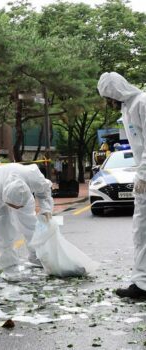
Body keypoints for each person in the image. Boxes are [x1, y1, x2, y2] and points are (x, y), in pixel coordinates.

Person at [98, 72, 146, 299]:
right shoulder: (128, 108)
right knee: (141, 231)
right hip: (143, 175)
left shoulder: (142, 103)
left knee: (143, 231)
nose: (107, 102)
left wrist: (143, 176)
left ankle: (142, 284)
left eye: (108, 96)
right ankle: (141, 282)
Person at [0, 163, 53, 281]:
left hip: (18, 189)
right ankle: (9, 264)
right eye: (14, 206)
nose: (16, 209)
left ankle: (37, 255)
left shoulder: (33, 177)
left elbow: (44, 190)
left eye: (19, 206)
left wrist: (46, 209)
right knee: (4, 229)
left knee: (30, 224)